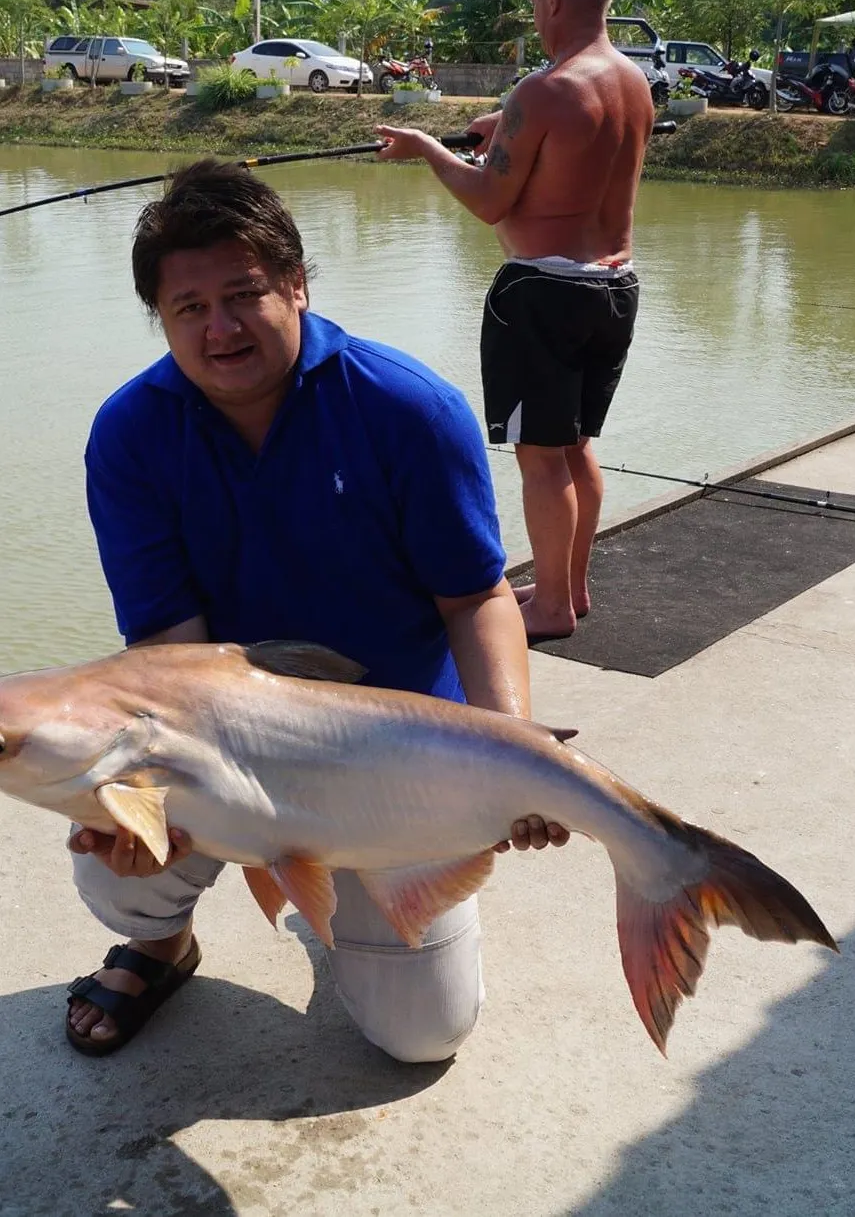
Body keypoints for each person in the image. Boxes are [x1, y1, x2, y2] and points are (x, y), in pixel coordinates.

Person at [65, 159, 567, 1061]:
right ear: (161, 317)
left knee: (423, 1035)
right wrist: (156, 803)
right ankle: (160, 940)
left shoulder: (408, 408)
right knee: (111, 862)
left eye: (243, 293)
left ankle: (344, 895)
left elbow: (476, 595)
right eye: (188, 307)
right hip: (224, 739)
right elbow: (169, 650)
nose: (219, 328)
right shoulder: (130, 433)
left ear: (297, 283)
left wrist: (509, 745)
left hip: (396, 749)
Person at [375, 0, 655, 644]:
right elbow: (571, 153)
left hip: (542, 295)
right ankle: (572, 586)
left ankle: (552, 606)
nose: (535, 16)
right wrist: (505, 133)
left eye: (535, 4)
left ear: (552, 0)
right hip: (614, 289)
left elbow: (490, 199)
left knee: (539, 456)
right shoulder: (631, 83)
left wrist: (427, 151)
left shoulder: (540, 91)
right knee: (577, 447)